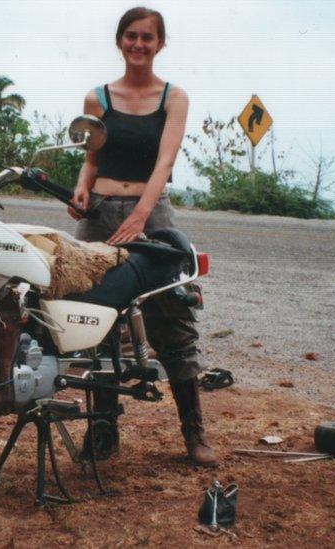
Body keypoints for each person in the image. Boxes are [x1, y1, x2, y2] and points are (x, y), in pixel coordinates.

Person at [68, 7, 216, 467]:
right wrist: (81, 187)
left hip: (150, 216)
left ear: (159, 43)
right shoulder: (97, 98)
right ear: (120, 40)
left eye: (147, 37)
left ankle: (194, 432)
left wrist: (142, 217)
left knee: (171, 317)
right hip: (99, 217)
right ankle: (103, 430)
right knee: (93, 318)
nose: (138, 44)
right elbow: (92, 159)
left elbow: (164, 163)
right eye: (131, 36)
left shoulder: (174, 97)